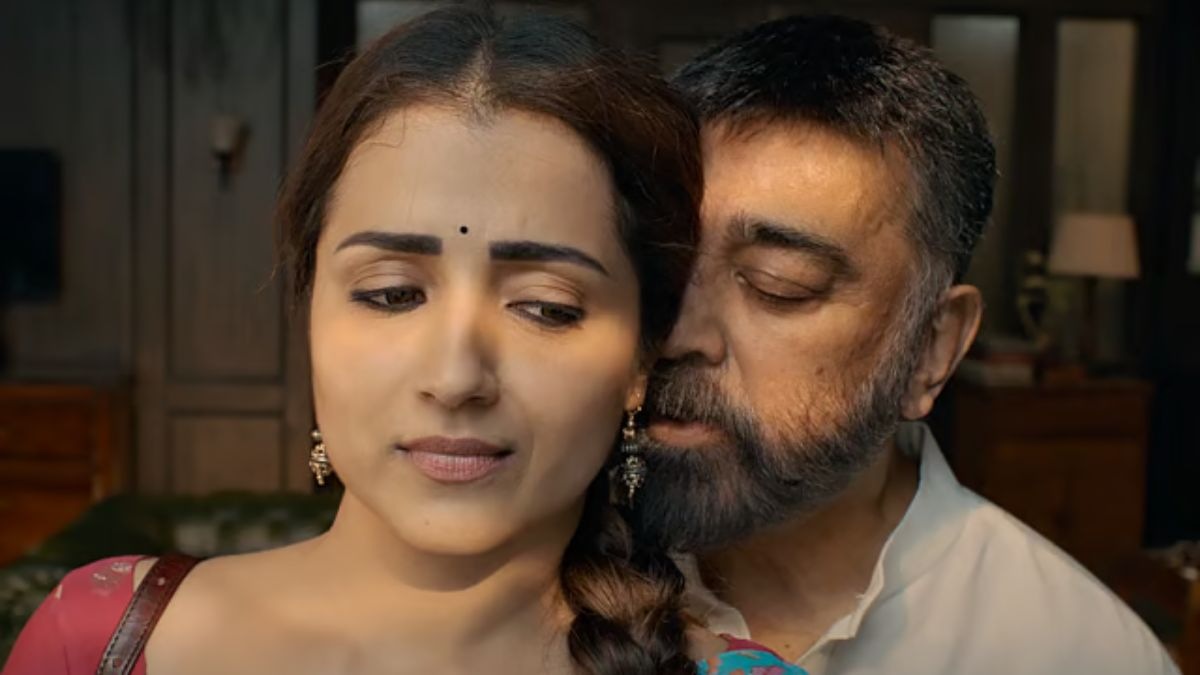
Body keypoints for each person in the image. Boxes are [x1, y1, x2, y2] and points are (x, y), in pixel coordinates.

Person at [2, 8, 802, 675]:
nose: (455, 376)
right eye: (391, 293)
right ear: (310, 311)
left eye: (545, 307)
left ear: (641, 358)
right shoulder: (103, 640)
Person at [633, 14, 1180, 675]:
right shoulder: (540, 582)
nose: (677, 336)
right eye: (664, 266)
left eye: (781, 284)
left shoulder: (1076, 651)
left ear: (931, 349)